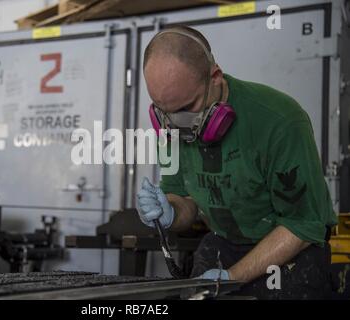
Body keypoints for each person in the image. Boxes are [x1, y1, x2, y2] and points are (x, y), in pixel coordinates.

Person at [137, 25, 337, 299]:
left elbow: (302, 226)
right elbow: (184, 198)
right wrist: (170, 211)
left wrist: (233, 276)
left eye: (187, 108)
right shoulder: (170, 128)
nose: (174, 123)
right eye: (163, 110)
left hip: (291, 252)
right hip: (224, 244)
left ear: (215, 77)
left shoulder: (279, 120)